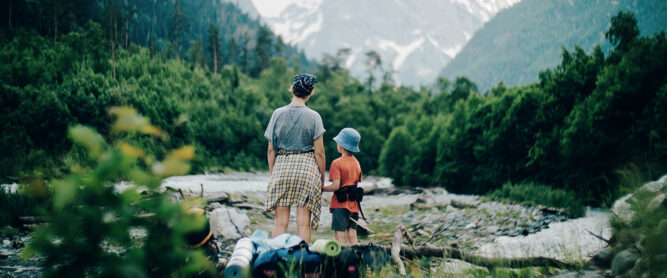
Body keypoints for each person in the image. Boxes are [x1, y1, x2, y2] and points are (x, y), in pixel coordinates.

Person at [264, 73, 326, 243]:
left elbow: (271, 149)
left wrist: (273, 173)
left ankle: (276, 259)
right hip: (306, 170)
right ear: (310, 92)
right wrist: (321, 179)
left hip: (282, 168)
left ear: (292, 89)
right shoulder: (314, 117)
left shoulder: (277, 114)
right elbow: (319, 152)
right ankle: (303, 260)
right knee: (303, 223)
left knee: (280, 221)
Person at [321, 128, 362, 246]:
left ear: (342, 146)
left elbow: (336, 186)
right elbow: (354, 184)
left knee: (340, 235)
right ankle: (356, 257)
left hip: (340, 204)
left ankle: (343, 261)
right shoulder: (357, 163)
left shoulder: (337, 163)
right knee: (352, 234)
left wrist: (322, 188)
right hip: (354, 204)